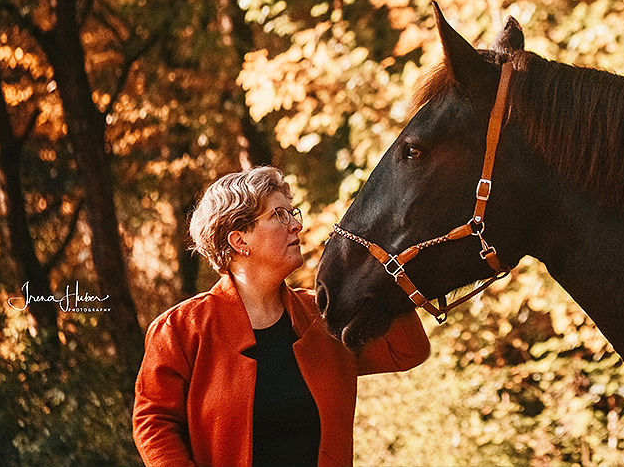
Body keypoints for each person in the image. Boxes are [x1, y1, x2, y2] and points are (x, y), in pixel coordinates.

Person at [133, 166, 430, 467]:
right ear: (239, 240)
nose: (296, 225)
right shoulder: (180, 330)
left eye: (292, 212)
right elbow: (154, 423)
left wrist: (381, 272)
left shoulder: (325, 314)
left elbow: (407, 351)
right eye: (278, 215)